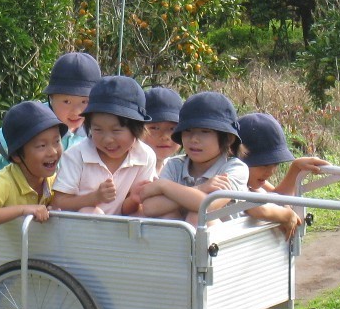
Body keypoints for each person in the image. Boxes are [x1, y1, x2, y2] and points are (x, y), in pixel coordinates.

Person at [0, 52, 101, 202]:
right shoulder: (33, 117)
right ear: (51, 97)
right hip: (1, 195)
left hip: (38, 200)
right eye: (66, 102)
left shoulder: (92, 131)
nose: (76, 111)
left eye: (84, 102)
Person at [52, 76, 157, 215]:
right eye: (98, 130)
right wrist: (94, 198)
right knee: (90, 211)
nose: (107, 139)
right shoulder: (76, 155)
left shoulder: (145, 156)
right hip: (78, 232)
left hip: (120, 231)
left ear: (136, 128)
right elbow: (59, 202)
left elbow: (127, 211)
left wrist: (133, 199)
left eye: (116, 130)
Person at [138, 91, 248, 221]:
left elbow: (208, 205)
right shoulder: (175, 165)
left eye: (205, 131)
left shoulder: (234, 168)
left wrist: (164, 187)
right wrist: (201, 189)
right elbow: (150, 207)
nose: (194, 139)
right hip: (183, 237)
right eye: (188, 131)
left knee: (196, 216)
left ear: (228, 138)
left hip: (224, 239)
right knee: (167, 215)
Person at [0, 101, 67, 230]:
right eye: (42, 146)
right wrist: (23, 210)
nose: (53, 151)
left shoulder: (57, 180)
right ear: (16, 156)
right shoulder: (4, 181)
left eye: (57, 141)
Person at [237, 112, 328, 240]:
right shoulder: (232, 182)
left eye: (275, 164)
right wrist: (286, 214)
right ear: (239, 161)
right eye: (264, 164)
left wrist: (296, 168)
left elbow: (278, 198)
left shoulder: (252, 182)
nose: (271, 171)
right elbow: (257, 208)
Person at [143, 86, 184, 171]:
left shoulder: (179, 170)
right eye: (154, 128)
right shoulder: (128, 168)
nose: (165, 136)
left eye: (172, 128)